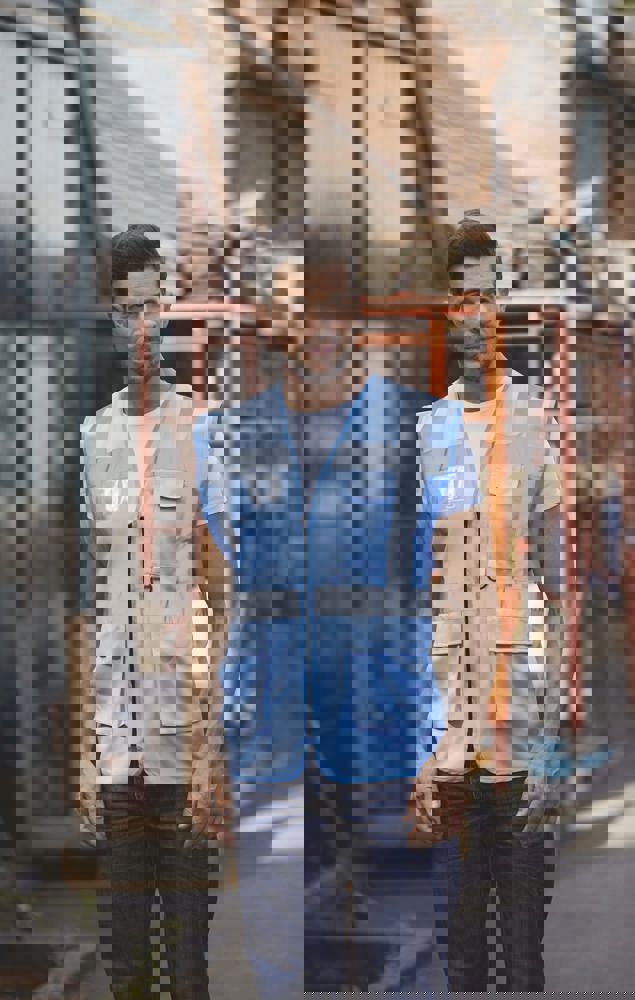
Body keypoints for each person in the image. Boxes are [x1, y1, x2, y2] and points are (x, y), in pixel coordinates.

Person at [193, 223, 474, 995]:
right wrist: (205, 749)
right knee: (286, 960)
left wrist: (452, 740)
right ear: (267, 323)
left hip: (395, 742)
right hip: (269, 745)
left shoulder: (429, 431)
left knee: (407, 961)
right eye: (291, 310)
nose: (311, 328)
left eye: (327, 309)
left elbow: (460, 587)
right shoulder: (220, 440)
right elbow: (216, 600)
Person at [413, 214, 564, 991]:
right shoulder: (430, 432)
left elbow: (559, 573)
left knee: (523, 940)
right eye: (462, 299)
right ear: (448, 311)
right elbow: (417, 580)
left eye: (486, 297)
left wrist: (563, 702)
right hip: (451, 707)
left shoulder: (534, 421)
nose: (475, 314)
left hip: (524, 697)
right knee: (462, 936)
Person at [80, 225, 227, 1000]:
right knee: (126, 962)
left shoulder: (201, 431)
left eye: (149, 307)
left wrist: (208, 744)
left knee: (188, 961)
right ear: (107, 314)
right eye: (123, 308)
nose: (137, 325)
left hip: (181, 716)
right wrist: (83, 749)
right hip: (115, 726)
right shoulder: (93, 438)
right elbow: (87, 600)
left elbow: (219, 593)